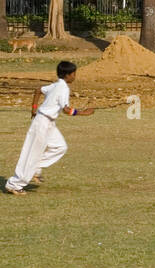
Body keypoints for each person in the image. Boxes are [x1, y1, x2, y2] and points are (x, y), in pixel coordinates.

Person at [4, 61, 97, 195]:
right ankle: (14, 184)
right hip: (43, 123)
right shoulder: (63, 88)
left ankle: (36, 167)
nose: (75, 76)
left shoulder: (55, 85)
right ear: (68, 75)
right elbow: (66, 110)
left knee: (60, 147)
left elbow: (38, 91)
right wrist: (85, 112)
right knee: (32, 154)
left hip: (48, 122)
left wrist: (34, 109)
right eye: (74, 74)